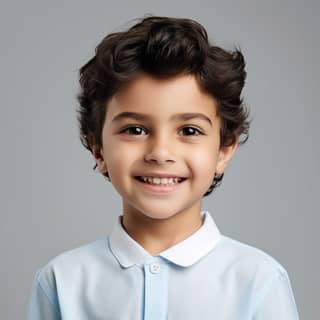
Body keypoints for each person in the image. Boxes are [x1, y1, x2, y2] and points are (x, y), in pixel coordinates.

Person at [27, 15, 300, 319]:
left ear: (224, 149)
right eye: (135, 130)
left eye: (189, 131)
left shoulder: (259, 282)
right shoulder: (61, 283)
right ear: (98, 148)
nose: (160, 153)